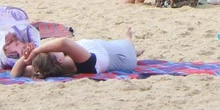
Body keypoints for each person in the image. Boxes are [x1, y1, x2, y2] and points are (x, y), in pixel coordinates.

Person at [11, 28, 142, 78]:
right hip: (124, 56)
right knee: (126, 44)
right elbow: (63, 42)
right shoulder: (84, 63)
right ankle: (130, 42)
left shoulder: (54, 67)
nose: (53, 49)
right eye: (52, 52)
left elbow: (16, 73)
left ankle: (134, 49)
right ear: (60, 60)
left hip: (107, 50)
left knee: (105, 44)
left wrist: (25, 58)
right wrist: (36, 51)